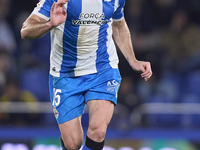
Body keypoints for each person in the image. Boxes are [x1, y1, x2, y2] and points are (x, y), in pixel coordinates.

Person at [20, 0, 152, 149]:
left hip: (103, 69)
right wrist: (49, 24)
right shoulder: (58, 1)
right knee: (73, 143)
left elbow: (118, 24)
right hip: (66, 74)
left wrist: (133, 60)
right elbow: (25, 31)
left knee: (98, 131)